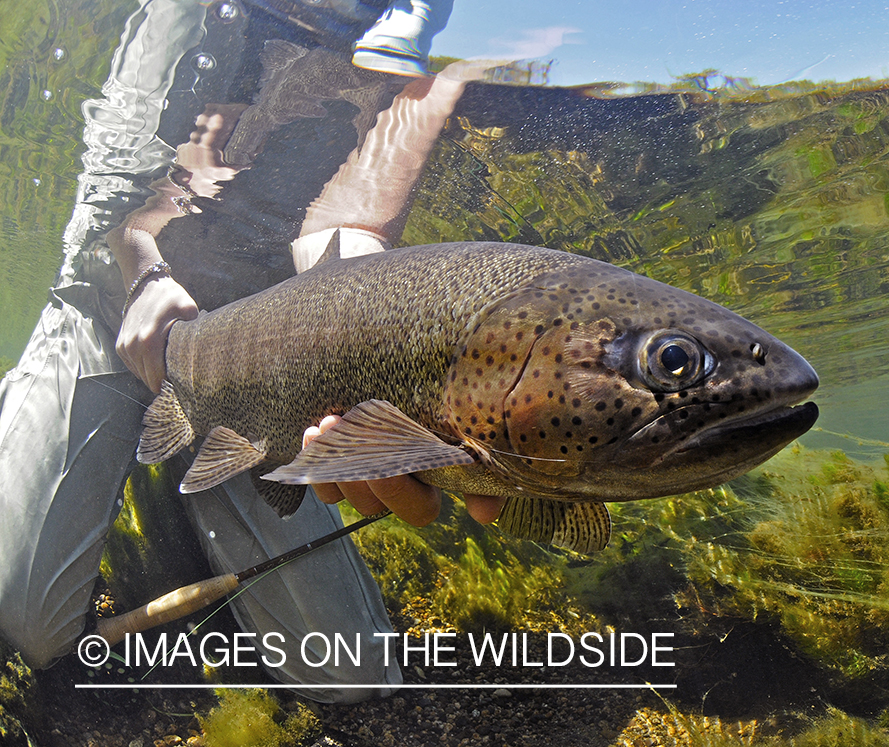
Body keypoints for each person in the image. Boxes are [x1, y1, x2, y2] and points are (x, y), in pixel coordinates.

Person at [0, 0, 511, 703]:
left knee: (349, 679)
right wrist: (145, 273)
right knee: (28, 625)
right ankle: (37, 408)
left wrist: (360, 326)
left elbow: (350, 223)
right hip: (107, 302)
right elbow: (112, 195)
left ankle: (168, 462)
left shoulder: (414, 13)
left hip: (254, 358)